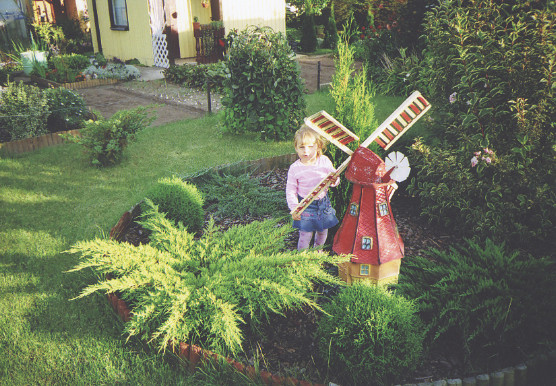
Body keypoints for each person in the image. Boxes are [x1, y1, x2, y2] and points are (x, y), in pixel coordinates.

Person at [286, 125, 340, 250]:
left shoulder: (324, 161)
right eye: (302, 147)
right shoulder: (295, 168)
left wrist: (334, 180)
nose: (306, 151)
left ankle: (317, 251)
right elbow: (291, 190)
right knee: (306, 233)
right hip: (305, 205)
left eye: (311, 147)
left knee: (322, 230)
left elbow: (334, 179)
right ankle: (303, 257)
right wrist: (295, 208)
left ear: (318, 146)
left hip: (323, 203)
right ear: (296, 148)